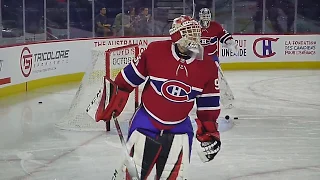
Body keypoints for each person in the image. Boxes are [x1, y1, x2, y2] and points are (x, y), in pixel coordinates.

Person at [96, 15, 221, 179]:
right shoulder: (156, 51)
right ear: (176, 36)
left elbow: (208, 105)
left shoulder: (208, 65)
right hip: (146, 121)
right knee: (134, 175)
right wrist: (112, 97)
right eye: (189, 33)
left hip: (179, 128)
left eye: (196, 33)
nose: (194, 38)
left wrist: (209, 133)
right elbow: (126, 80)